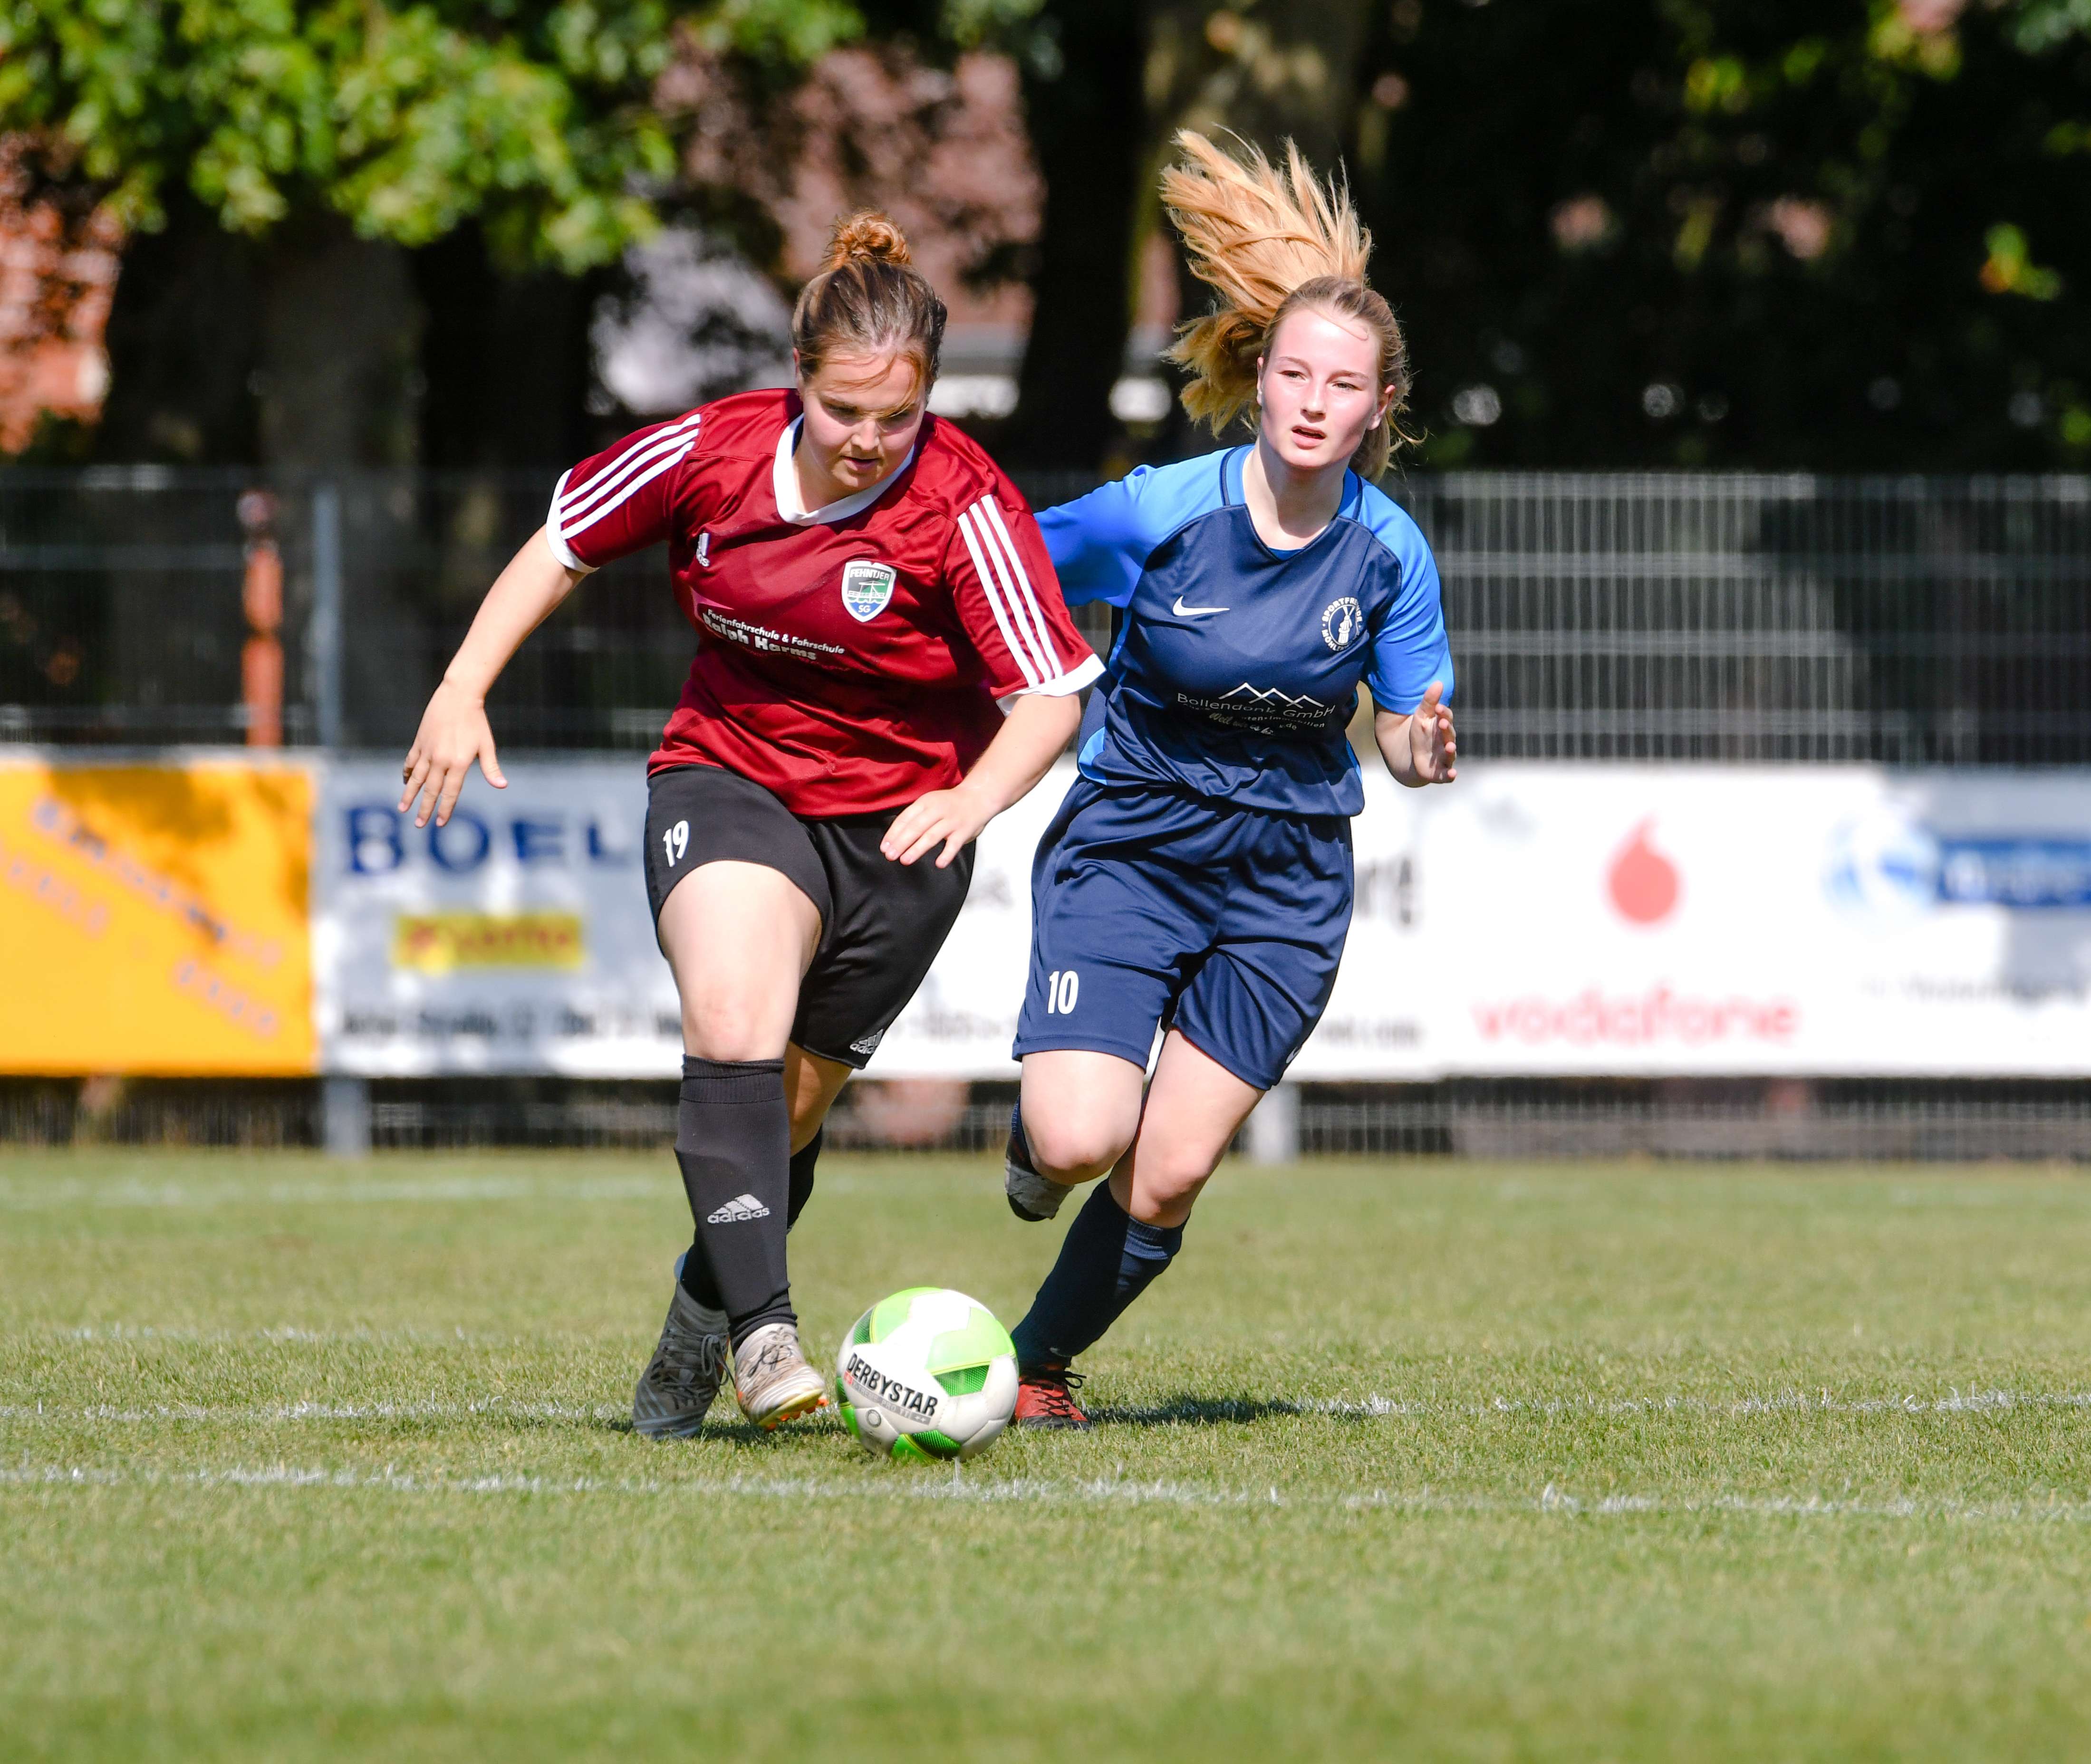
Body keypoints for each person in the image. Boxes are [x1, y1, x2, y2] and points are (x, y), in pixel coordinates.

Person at [398, 213, 1098, 1438]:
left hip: (902, 835)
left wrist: (974, 797)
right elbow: (559, 547)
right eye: (843, 413)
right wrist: (462, 688)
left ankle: (692, 1323)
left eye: (899, 418)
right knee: (732, 1018)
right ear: (798, 384)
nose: (870, 444)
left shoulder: (961, 503)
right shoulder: (707, 454)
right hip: (731, 777)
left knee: (784, 1115)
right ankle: (765, 1339)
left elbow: (1048, 695)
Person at [996, 132, 1459, 1429]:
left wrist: (1421, 749)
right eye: (1296, 373)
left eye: (1344, 386)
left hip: (1285, 881)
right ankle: (1035, 1149)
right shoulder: (1157, 514)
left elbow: (1413, 735)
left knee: (1168, 1173)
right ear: (1259, 379)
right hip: (1133, 847)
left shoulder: (1389, 552)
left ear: (1378, 410)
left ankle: (1032, 1368)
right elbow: (1004, 581)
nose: (1315, 401)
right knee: (1085, 1137)